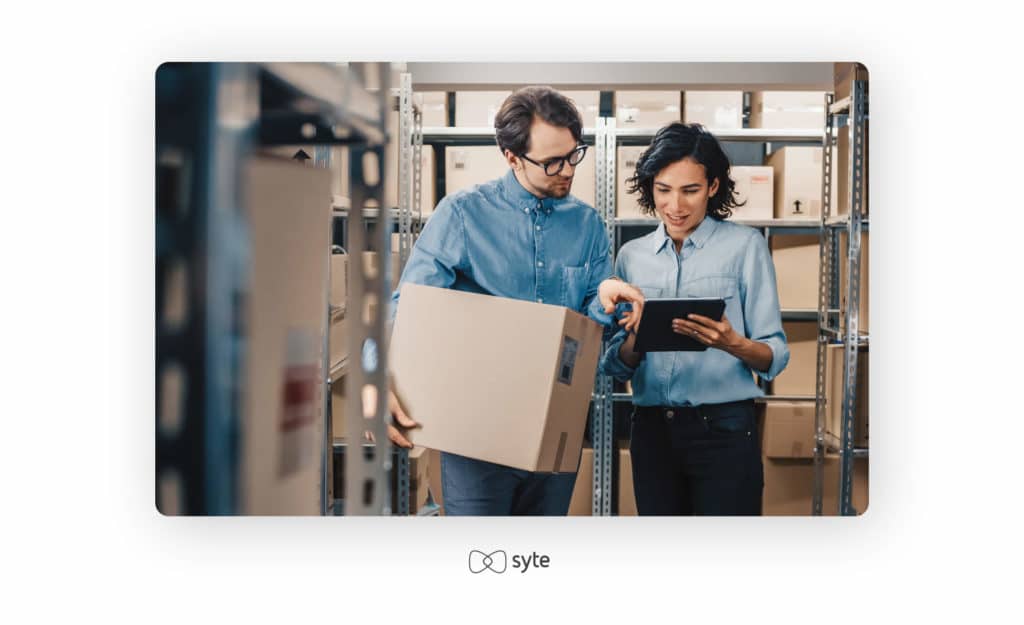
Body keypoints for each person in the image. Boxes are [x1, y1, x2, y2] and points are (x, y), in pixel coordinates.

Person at [385, 86, 645, 515]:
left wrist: (604, 301)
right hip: (476, 437)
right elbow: (408, 309)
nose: (567, 171)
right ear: (511, 157)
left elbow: (592, 336)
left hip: (555, 433)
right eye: (551, 162)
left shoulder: (588, 226)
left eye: (573, 154)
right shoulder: (463, 215)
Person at [600, 122, 790, 516]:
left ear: (714, 187)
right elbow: (616, 366)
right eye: (663, 190)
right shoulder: (630, 257)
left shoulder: (745, 247)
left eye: (690, 190)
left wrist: (730, 342)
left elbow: (775, 355)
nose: (675, 206)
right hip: (652, 431)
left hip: (724, 429)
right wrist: (636, 336)